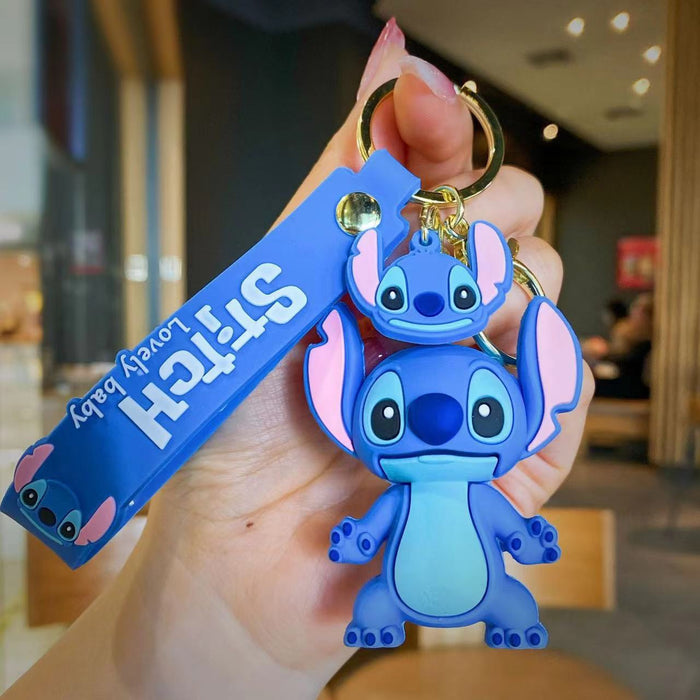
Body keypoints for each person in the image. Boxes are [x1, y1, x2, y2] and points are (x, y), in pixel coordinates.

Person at [3, 19, 593, 700]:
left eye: (487, 414)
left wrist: (519, 536)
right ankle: (396, 613)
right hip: (331, 583)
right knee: (387, 598)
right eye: (388, 415)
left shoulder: (461, 409)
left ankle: (499, 614)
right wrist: (352, 543)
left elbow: (462, 520)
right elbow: (381, 521)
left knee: (501, 598)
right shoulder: (374, 388)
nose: (437, 424)